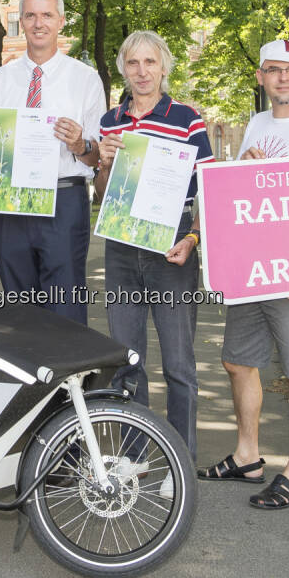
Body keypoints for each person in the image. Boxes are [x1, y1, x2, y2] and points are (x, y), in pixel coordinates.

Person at [197, 38, 289, 509]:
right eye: (272, 70)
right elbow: (246, 192)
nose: (282, 77)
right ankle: (247, 455)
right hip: (252, 266)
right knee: (238, 360)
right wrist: (242, 169)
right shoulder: (259, 124)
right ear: (261, 77)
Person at [95, 31, 214, 498]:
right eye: (133, 62)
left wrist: (193, 238)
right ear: (123, 68)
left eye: (150, 62)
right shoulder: (110, 120)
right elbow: (103, 196)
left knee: (179, 362)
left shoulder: (186, 118)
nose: (142, 71)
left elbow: (206, 188)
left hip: (172, 248)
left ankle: (180, 461)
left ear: (164, 68)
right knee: (126, 358)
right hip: (123, 246)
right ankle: (133, 457)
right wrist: (103, 164)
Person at [0, 0, 104, 324]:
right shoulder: (1, 80)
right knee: (20, 307)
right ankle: (30, 377)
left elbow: (98, 156)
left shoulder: (85, 79)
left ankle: (72, 378)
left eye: (47, 15)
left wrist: (80, 144)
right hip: (12, 202)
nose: (38, 23)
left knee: (65, 305)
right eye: (30, 15)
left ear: (61, 21)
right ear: (21, 21)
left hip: (64, 201)